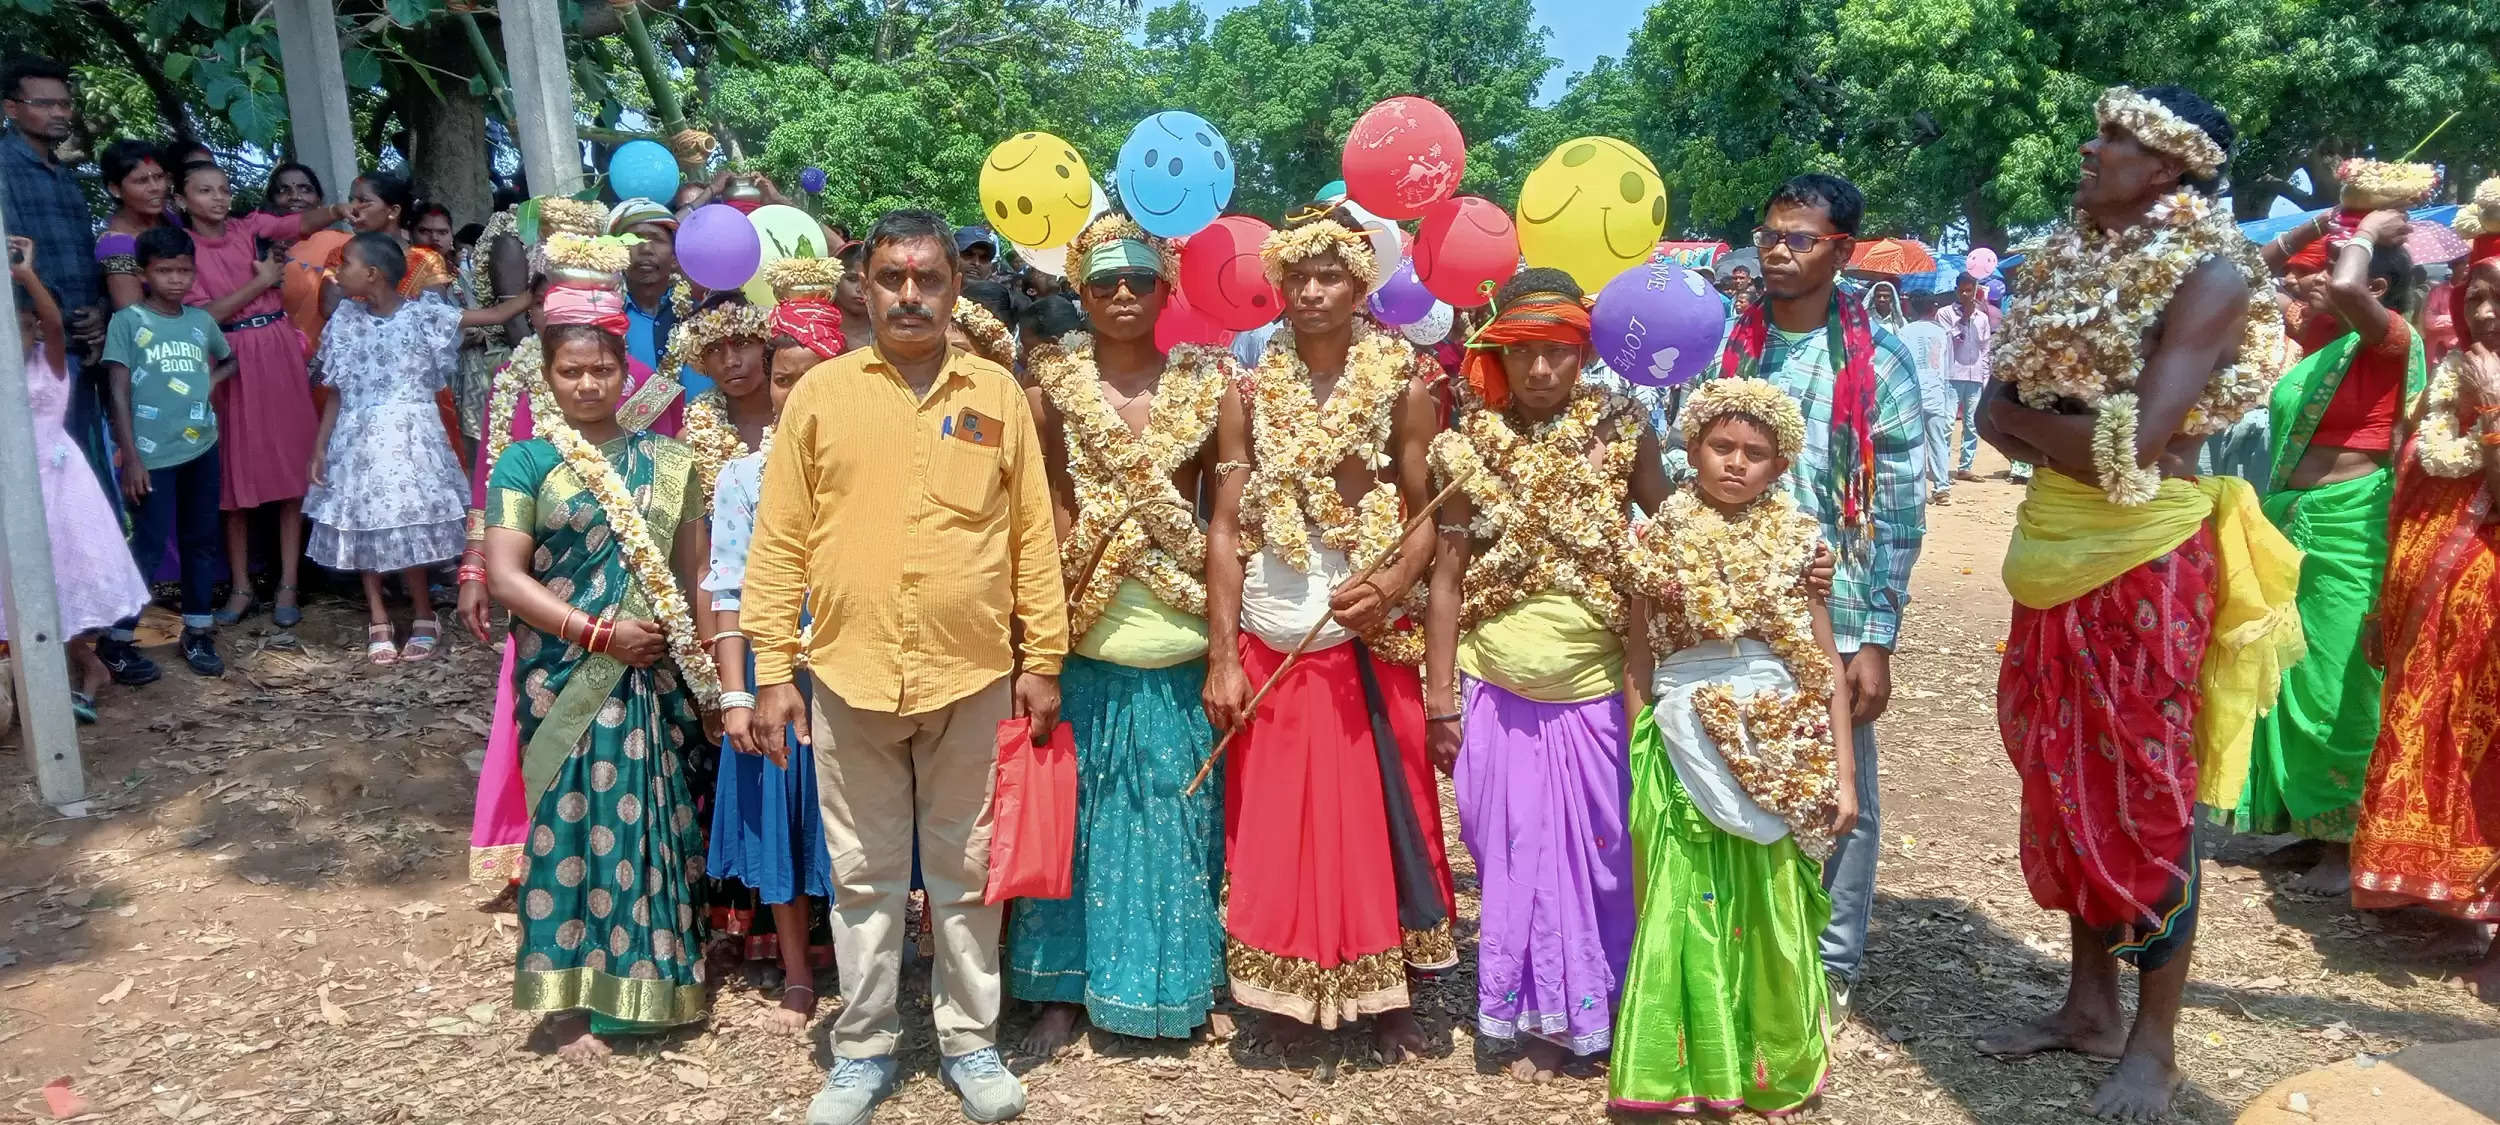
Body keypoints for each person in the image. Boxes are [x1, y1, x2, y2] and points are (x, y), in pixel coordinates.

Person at [1976, 85, 2303, 1119]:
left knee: (2144, 792)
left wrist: (2034, 428)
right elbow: (1990, 412)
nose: (2092, 147)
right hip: (2056, 548)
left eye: (2118, 138)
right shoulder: (2066, 262)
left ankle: (2154, 1045)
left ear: (2172, 168)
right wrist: (2044, 431)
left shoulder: (2210, 274)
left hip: (2145, 559)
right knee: (2064, 771)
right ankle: (2088, 1006)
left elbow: (2142, 453)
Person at [743, 209, 1065, 1125]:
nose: (911, 294)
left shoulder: (998, 395)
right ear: (866, 287)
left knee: (966, 868)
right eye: (892, 278)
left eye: (928, 278)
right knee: (863, 873)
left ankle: (970, 1039)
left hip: (972, 675)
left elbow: (1031, 538)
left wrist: (1040, 656)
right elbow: (779, 544)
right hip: (851, 675)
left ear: (956, 287)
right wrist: (774, 670)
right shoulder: (822, 396)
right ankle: (865, 1046)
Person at [1201, 204, 1455, 1061]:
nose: (1312, 291)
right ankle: (1279, 985)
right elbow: (1228, 527)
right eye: (1298, 276)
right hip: (1271, 631)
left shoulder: (1406, 384)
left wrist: (1389, 581)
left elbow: (1428, 509)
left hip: (1361, 633)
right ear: (1278, 288)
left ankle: (1388, 996)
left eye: (1331, 275)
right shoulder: (1245, 390)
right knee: (1276, 810)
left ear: (1360, 286)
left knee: (1376, 810)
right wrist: (1220, 653)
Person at [1422, 267, 1671, 1080]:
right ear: (1499, 352)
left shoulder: (1625, 430)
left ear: (1584, 353)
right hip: (1495, 685)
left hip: (1597, 691)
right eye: (1524, 353)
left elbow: (1673, 537)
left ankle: (1594, 1014)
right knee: (1511, 855)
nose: (1540, 372)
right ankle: (1522, 1012)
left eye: (1558, 353)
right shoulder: (1464, 445)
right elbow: (1448, 578)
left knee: (1602, 859)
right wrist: (1439, 696)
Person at [1009, 215, 1235, 1055]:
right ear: (1080, 289)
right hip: (1081, 639)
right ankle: (1060, 990)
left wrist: (1223, 651)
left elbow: (1224, 524)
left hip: (1176, 645)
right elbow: (1037, 520)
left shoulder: (1212, 386)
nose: (1123, 294)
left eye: (1140, 278)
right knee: (1077, 821)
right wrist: (1033, 647)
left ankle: (1180, 981)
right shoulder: (1048, 388)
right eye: (1103, 281)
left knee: (1178, 820)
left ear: (1167, 288)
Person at [482, 301, 722, 1065]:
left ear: (628, 374)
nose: (587, 383)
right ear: (548, 380)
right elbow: (505, 577)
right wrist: (596, 634)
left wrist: (716, 681)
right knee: (574, 821)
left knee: (660, 817)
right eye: (569, 371)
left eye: (601, 369)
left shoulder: (673, 461)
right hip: (565, 676)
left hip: (656, 672)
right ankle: (573, 998)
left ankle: (656, 984)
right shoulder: (527, 461)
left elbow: (696, 578)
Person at [1609, 376, 1856, 1115]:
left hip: (1776, 737)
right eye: (1722, 446)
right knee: (1684, 898)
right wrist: (1639, 750)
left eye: (1756, 452)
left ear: (1780, 465)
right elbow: (1636, 660)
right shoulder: (1657, 538)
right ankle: (1679, 1067)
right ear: (1693, 449)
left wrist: (1843, 774)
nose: (1736, 463)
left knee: (1768, 897)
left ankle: (1765, 1056)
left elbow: (1825, 665)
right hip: (1680, 732)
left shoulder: (1800, 543)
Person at [1728, 172, 1924, 1022]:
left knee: (1841, 790)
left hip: (1834, 614)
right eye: (1769, 234)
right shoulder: (1728, 345)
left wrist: (1874, 635)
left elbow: (1900, 506)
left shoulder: (1878, 361)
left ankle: (1829, 961)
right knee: (1728, 770)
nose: (1776, 250)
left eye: (1798, 238)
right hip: (1727, 605)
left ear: (1842, 250)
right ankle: (1739, 944)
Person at [461, 201, 683, 894]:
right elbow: (492, 470)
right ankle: (528, 844)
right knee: (525, 707)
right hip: (541, 589)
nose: (586, 381)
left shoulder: (650, 391)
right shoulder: (519, 384)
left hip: (631, 595)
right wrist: (476, 566)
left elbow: (673, 503)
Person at [2239, 195, 2422, 892]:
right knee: (2289, 670)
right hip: (2296, 519)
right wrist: (2321, 222)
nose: (2307, 283)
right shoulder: (2318, 340)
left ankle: (2348, 845)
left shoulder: (2388, 339)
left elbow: (2344, 284)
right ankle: (2307, 824)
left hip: (2352, 524)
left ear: (2376, 287)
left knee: (2340, 679)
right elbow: (2243, 272)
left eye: (2327, 272)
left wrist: (2370, 231)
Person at [2352, 189, 2500, 997]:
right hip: (2431, 605)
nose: (2481, 311)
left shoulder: (2480, 382)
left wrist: (2494, 408)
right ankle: (2442, 894)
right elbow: (2410, 494)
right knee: (2437, 737)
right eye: (2473, 293)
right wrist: (2386, 600)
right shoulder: (2450, 376)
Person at [707, 259, 847, 1036]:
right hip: (775, 672)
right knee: (785, 825)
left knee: (861, 827)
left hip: (858, 670)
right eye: (784, 379)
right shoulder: (741, 479)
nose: (798, 393)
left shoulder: (873, 469)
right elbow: (728, 589)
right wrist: (737, 693)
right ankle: (797, 972)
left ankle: (872, 967)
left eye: (813, 375)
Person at [306, 232, 526, 664]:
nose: (337, 272)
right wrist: (320, 447)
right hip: (356, 436)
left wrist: (535, 293)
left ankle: (424, 610)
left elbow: (493, 314)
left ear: (371, 274)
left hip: (411, 436)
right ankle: (378, 615)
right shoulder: (345, 321)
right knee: (362, 522)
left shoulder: (423, 316)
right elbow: (336, 389)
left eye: (345, 263)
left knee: (409, 525)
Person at [169, 159, 352, 633]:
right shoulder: (180, 248)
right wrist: (261, 282)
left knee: (292, 474)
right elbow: (205, 315)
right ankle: (242, 587)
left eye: (224, 188)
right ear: (182, 199)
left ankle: (289, 585)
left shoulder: (251, 227)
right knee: (233, 482)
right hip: (225, 356)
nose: (218, 198)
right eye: (205, 190)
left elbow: (301, 220)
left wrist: (338, 208)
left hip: (275, 348)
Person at [7, 237, 152, 721]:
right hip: (12, 491)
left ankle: (88, 672)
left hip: (59, 487)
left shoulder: (49, 366)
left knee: (65, 577)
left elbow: (53, 321)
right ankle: (45, 685)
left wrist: (27, 276)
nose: (21, 333)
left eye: (26, 325)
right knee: (24, 587)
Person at [100, 227, 237, 677]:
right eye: (164, 271)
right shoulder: (128, 322)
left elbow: (228, 358)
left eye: (183, 270)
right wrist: (131, 457)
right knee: (149, 545)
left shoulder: (200, 322)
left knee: (201, 541)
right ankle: (116, 641)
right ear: (144, 273)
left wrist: (207, 384)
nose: (176, 279)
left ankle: (197, 633)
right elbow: (117, 390)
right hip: (151, 457)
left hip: (202, 447)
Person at [3, 57, 115, 521]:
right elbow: (13, 260)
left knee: (82, 469)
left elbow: (83, 256)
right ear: (11, 108)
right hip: (33, 345)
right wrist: (66, 318)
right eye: (43, 103)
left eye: (64, 104)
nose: (59, 113)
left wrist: (100, 310)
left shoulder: (66, 178)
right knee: (46, 476)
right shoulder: (4, 167)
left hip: (81, 343)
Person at [610, 198, 702, 393]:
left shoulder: (703, 316)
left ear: (675, 258)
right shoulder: (603, 318)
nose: (645, 249)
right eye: (633, 239)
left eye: (656, 240)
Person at [94, 140, 175, 312]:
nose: (155, 188)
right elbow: (135, 320)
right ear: (115, 189)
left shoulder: (170, 219)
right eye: (141, 181)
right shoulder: (116, 245)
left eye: (159, 177)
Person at [1896, 291, 1958, 503]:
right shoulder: (1942, 333)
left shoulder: (1904, 332)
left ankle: (1916, 489)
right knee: (1938, 442)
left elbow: (1900, 367)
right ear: (1933, 308)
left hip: (1910, 395)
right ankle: (1942, 487)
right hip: (1936, 392)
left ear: (1911, 308)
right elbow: (1947, 369)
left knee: (1913, 444)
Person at [1937, 272, 1996, 482]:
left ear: (1975, 291)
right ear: (1956, 290)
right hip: (1952, 374)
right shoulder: (1944, 314)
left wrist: (1986, 377)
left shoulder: (1982, 318)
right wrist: (1964, 318)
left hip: (1976, 375)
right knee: (1947, 424)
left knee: (1972, 424)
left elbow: (1986, 348)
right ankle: (1941, 469)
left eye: (1968, 290)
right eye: (1961, 290)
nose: (1964, 294)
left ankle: (1965, 467)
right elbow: (1954, 340)